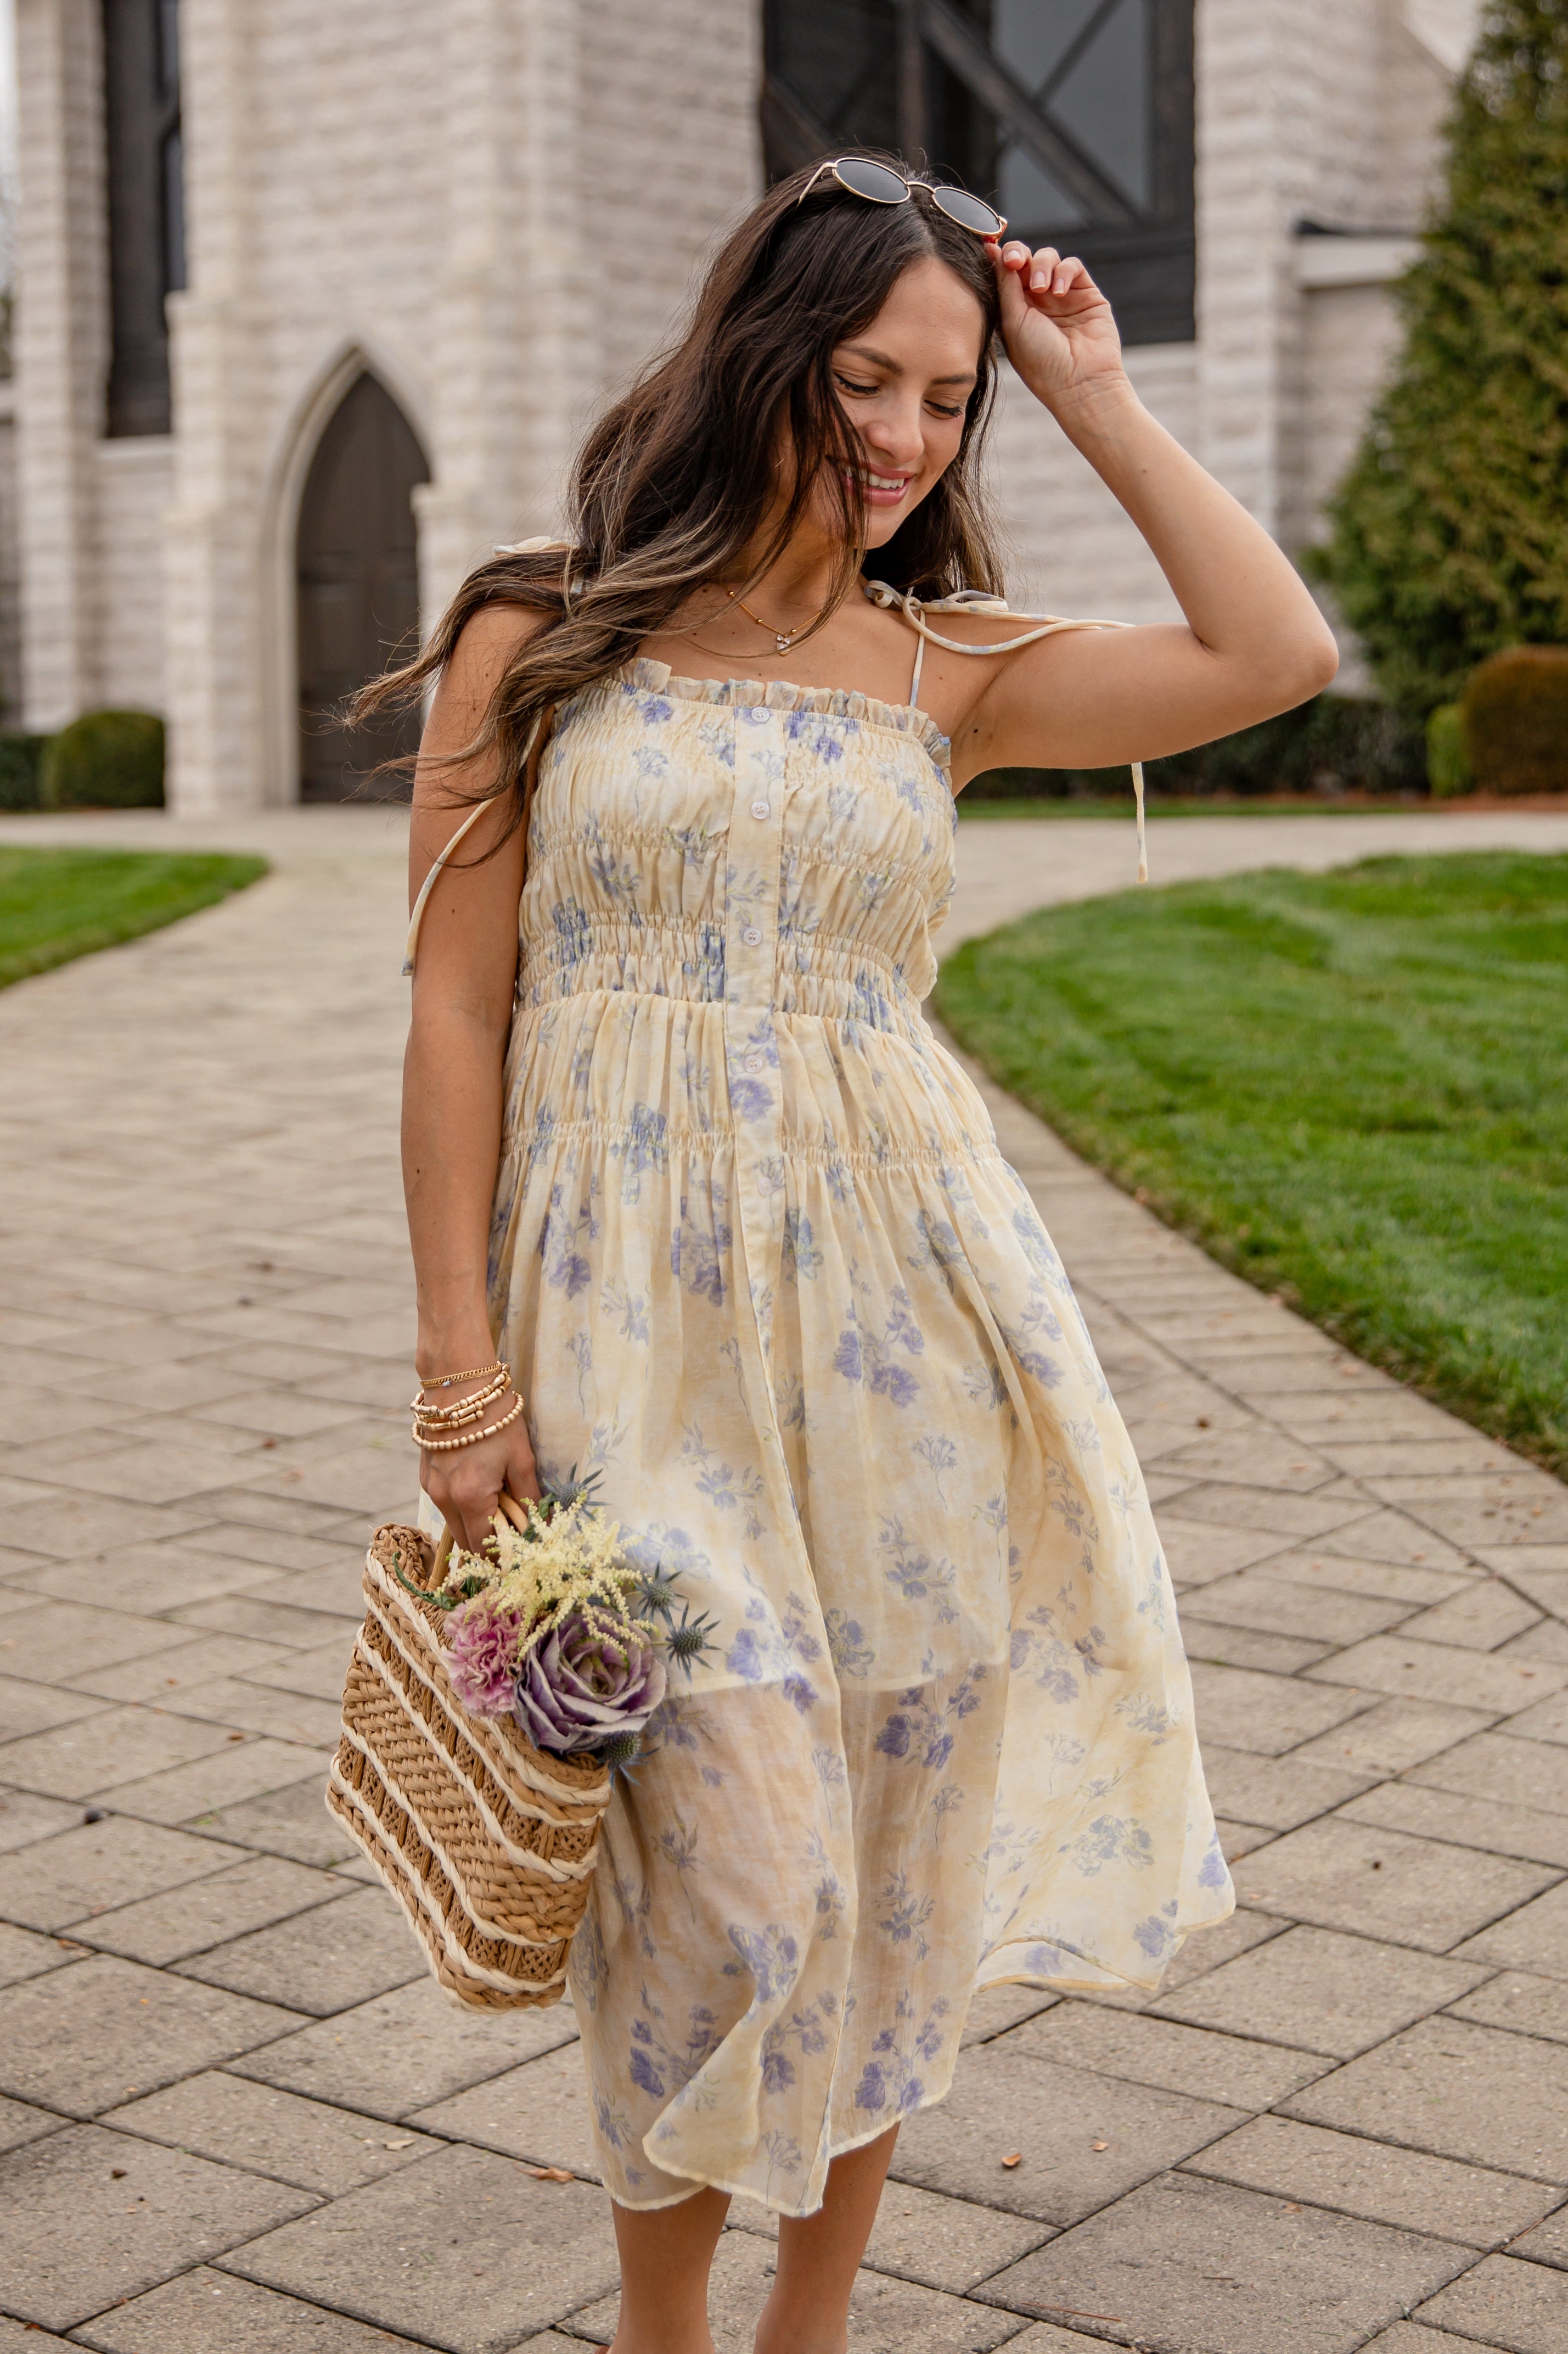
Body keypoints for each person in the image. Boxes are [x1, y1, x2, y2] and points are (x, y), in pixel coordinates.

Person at [370, 155, 1338, 2354]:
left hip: (918, 1322)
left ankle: (801, 2328)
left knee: (891, 1851)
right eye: (860, 379)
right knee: (731, 1860)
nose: (902, 438)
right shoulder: (539, 633)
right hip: (623, 1328)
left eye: (946, 399)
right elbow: (451, 1007)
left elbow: (1274, 652)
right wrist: (457, 1371)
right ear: (755, 358)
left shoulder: (950, 668)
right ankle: (663, 2326)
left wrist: (1090, 394)